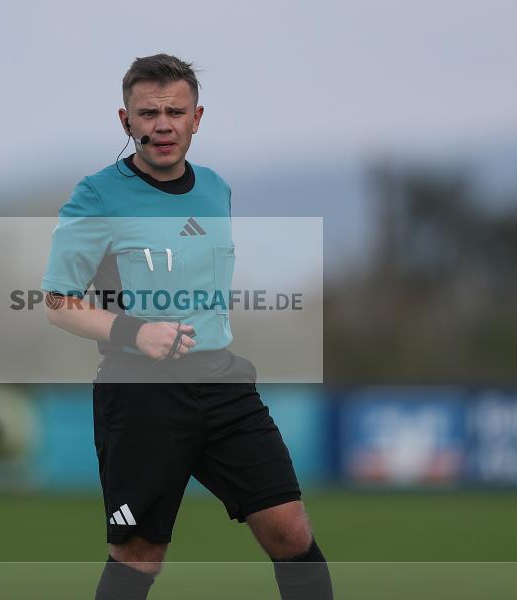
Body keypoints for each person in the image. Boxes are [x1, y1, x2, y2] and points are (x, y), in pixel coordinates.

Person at [41, 54, 332, 599]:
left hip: (223, 384)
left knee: (291, 531)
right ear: (125, 121)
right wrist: (134, 332)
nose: (162, 124)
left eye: (175, 111)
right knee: (138, 557)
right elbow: (57, 302)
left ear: (197, 118)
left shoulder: (217, 189)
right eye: (147, 113)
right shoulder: (96, 196)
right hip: (142, 395)